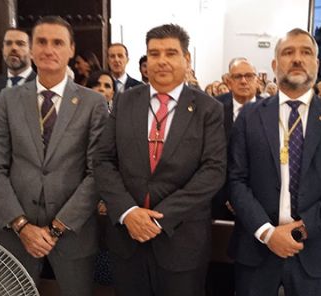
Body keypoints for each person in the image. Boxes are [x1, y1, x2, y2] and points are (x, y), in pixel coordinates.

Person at [95, 23, 226, 296]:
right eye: (154, 54)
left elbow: (212, 171)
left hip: (181, 240)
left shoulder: (208, 109)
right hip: (126, 239)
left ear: (186, 60)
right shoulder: (125, 102)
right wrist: (128, 212)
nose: (162, 61)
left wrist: (158, 219)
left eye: (171, 53)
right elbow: (104, 160)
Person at [228, 28, 321, 296]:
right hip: (257, 247)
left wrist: (300, 230)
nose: (297, 59)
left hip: (313, 250)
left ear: (317, 64)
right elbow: (236, 181)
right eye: (288, 52)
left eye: (306, 52)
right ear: (275, 65)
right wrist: (267, 233)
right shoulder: (249, 116)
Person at [0, 16, 108, 296]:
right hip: (17, 232)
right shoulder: (8, 99)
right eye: (41, 41)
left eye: (57, 42)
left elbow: (96, 172)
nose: (48, 49)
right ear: (31, 49)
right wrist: (21, 225)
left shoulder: (93, 103)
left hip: (72, 232)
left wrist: (56, 228)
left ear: (71, 49)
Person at [207, 57, 260, 296]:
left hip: (259, 205)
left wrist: (246, 201)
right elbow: (208, 156)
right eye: (238, 76)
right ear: (228, 81)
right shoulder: (213, 109)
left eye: (249, 76)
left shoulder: (272, 110)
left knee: (253, 277)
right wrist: (229, 196)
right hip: (219, 202)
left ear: (257, 80)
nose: (244, 81)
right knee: (220, 275)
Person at [0, 28, 36, 109]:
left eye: (20, 44)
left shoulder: (42, 85)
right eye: (8, 43)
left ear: (32, 52)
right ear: (2, 50)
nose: (13, 48)